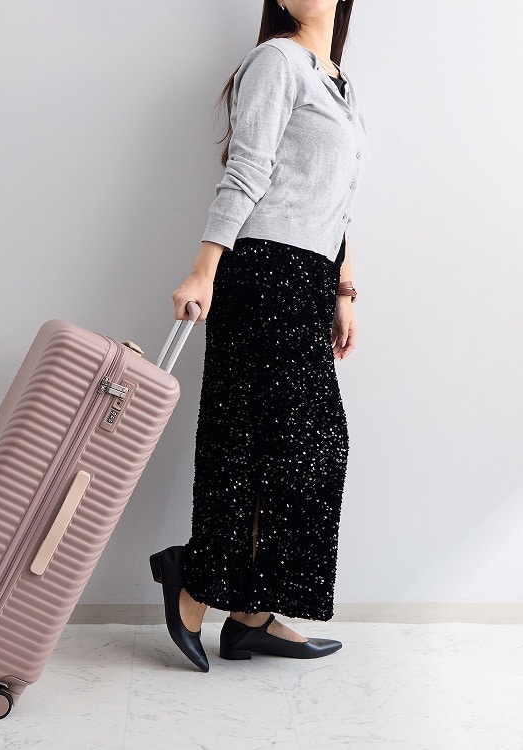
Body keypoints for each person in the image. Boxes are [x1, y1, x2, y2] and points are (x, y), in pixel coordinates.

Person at [150, 0, 368, 671]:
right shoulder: (277, 60)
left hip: (307, 277)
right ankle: (197, 585)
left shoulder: (337, 81)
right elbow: (247, 169)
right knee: (251, 442)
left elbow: (337, 200)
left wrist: (342, 288)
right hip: (264, 270)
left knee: (295, 448)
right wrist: (203, 270)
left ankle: (250, 615)